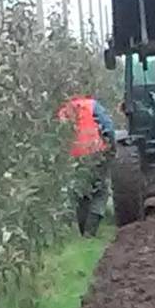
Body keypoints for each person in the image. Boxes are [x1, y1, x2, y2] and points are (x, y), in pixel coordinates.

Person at [57, 94, 115, 237]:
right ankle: (90, 230)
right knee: (100, 190)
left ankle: (83, 229)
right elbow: (108, 127)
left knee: (81, 191)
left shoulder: (63, 111)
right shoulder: (92, 105)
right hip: (95, 151)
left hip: (74, 156)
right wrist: (112, 145)